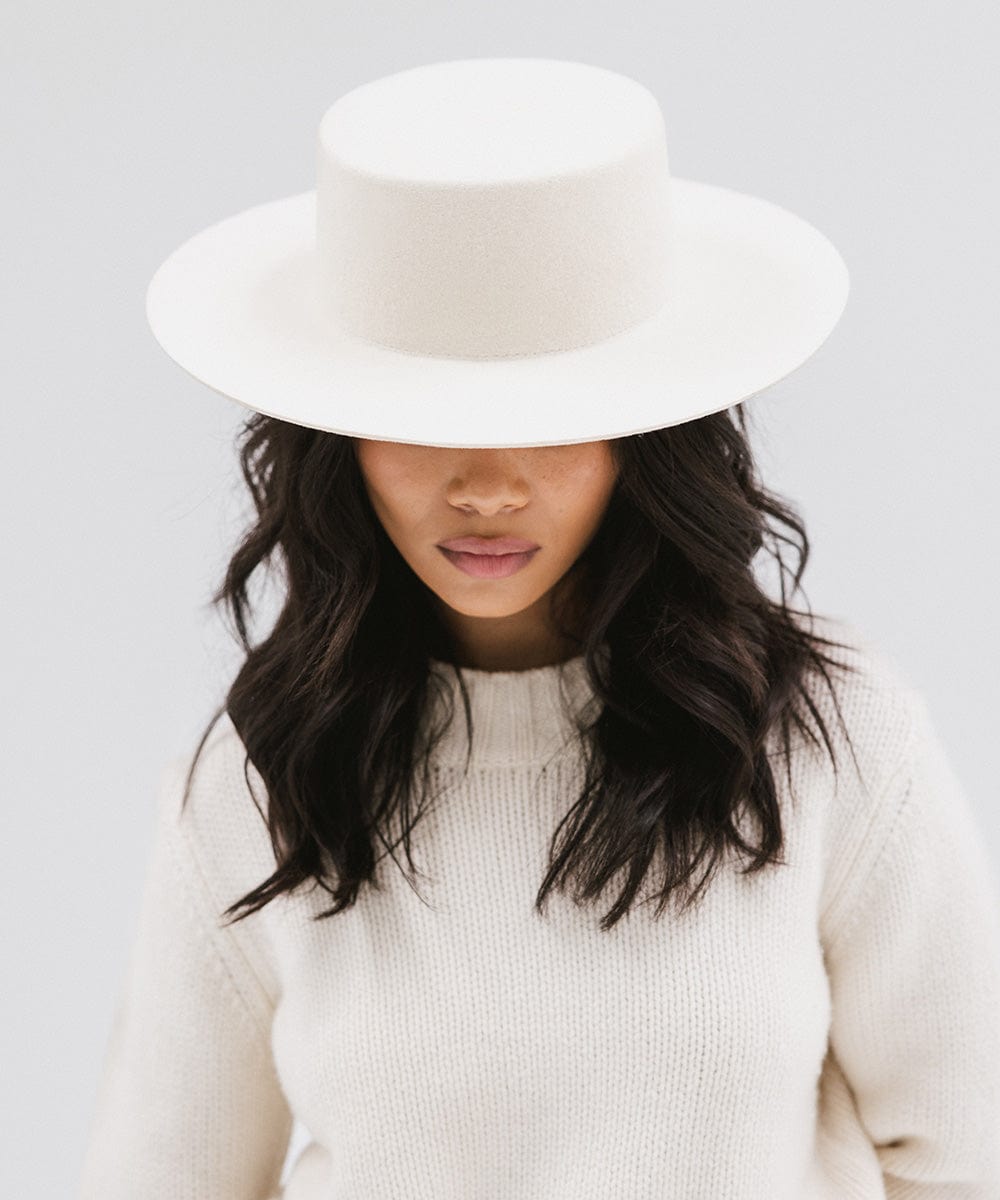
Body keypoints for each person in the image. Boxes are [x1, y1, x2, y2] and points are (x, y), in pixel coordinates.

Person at [79, 57, 1000, 1199]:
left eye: (551, 420)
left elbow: (971, 1155)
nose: (487, 485)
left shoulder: (829, 738)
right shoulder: (260, 781)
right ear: (339, 437)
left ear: (643, 436)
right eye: (422, 421)